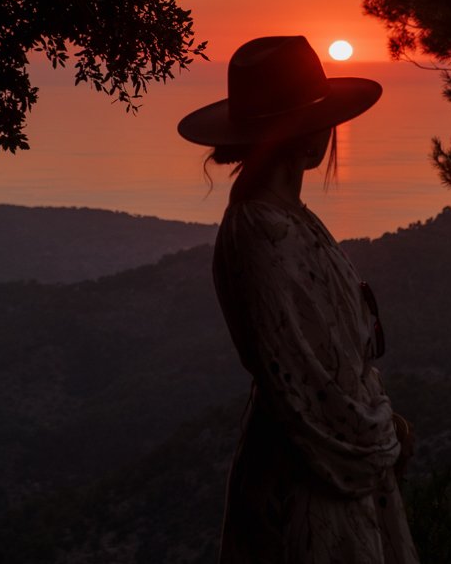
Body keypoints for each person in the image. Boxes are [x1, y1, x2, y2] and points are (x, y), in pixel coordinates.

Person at [178, 36, 419, 564]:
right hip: (306, 484)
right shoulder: (264, 231)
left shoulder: (281, 216)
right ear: (306, 133)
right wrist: (381, 441)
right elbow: (307, 382)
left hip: (317, 467)